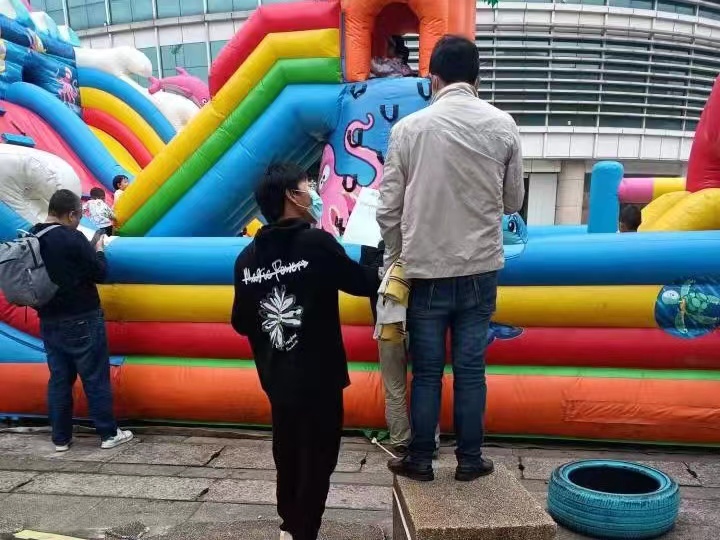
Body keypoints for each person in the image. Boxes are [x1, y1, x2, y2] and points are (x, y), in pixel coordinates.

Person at [377, 35, 525, 482]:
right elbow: (513, 201)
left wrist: (397, 256)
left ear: (433, 78)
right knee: (471, 371)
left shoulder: (408, 129)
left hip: (425, 270)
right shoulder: (503, 124)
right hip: (480, 269)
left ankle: (421, 459)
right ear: (476, 79)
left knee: (426, 372)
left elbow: (388, 209)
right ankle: (470, 460)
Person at [231, 163, 379, 540]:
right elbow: (362, 283)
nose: (313, 193)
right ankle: (303, 531)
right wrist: (376, 254)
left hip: (276, 378)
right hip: (319, 377)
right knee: (318, 457)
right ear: (291, 197)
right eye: (307, 186)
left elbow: (241, 322)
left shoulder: (246, 259)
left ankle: (289, 525)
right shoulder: (316, 244)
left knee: (288, 454)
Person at [32, 189, 133, 452]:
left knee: (59, 379)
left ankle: (60, 438)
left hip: (49, 319)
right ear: (71, 214)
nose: (78, 222)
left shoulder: (32, 236)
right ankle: (108, 434)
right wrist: (98, 251)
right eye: (78, 216)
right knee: (95, 377)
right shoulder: (72, 238)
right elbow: (100, 273)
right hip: (81, 317)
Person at [360, 240, 412, 455]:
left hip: (387, 327)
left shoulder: (375, 255)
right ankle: (429, 439)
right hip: (421, 326)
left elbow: (363, 285)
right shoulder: (421, 250)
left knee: (394, 387)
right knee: (427, 383)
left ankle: (399, 439)